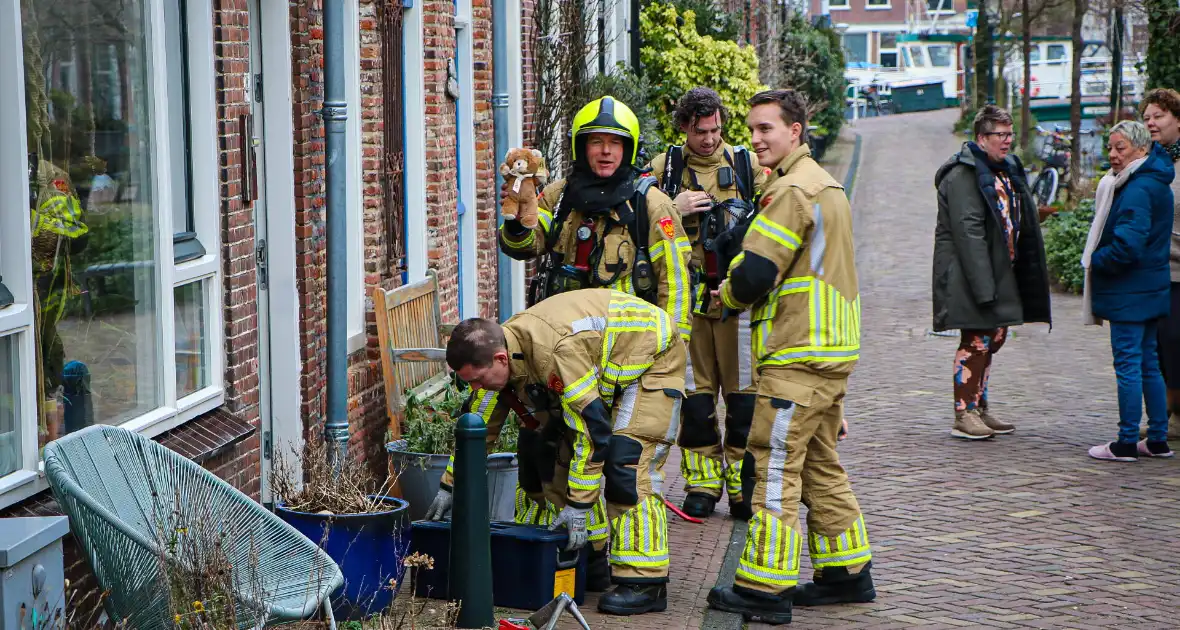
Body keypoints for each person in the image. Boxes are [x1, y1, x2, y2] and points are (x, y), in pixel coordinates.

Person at [706, 89, 874, 625]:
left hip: (796, 352)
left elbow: (755, 274)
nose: (754, 139)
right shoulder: (826, 185)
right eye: (752, 130)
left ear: (795, 131)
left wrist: (724, 297)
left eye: (765, 129)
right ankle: (847, 573)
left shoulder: (791, 191)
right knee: (821, 462)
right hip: (832, 351)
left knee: (771, 465)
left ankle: (764, 589)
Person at [429, 289, 687, 615]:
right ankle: (591, 562)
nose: (477, 388)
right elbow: (478, 426)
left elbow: (593, 434)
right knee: (548, 456)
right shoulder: (503, 349)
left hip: (653, 358)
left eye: (478, 380)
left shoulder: (555, 352)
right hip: (603, 364)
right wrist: (450, 484)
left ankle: (645, 582)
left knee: (627, 464)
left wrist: (578, 507)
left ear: (500, 360)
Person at [645, 87, 767, 520]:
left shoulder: (746, 165)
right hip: (691, 304)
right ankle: (702, 483)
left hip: (738, 302)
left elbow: (776, 209)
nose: (710, 140)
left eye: (716, 130)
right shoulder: (665, 171)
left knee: (742, 399)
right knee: (696, 398)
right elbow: (637, 221)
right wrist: (672, 208)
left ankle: (741, 484)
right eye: (701, 132)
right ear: (684, 128)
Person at [500, 96, 693, 341]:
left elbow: (675, 283)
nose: (605, 151)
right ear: (581, 147)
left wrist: (672, 346)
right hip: (563, 341)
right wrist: (517, 222)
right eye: (596, 141)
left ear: (628, 149)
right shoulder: (558, 197)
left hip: (628, 348)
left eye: (615, 142)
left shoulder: (651, 204)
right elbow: (524, 246)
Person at [932, 105, 1051, 440]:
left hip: (1001, 270)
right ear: (981, 138)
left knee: (994, 337)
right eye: (1000, 135)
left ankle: (979, 406)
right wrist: (984, 287)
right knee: (976, 339)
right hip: (970, 274)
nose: (1007, 141)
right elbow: (969, 234)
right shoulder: (962, 177)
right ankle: (963, 413)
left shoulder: (1003, 170)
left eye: (1010, 134)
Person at [1082, 121, 1177, 461]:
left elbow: (1127, 246)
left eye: (1120, 148)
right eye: (1110, 148)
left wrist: (1096, 258)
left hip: (1129, 291)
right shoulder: (1157, 183)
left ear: (1140, 149)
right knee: (1149, 363)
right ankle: (1156, 439)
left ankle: (1125, 441)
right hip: (1151, 286)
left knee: (1128, 363)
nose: (1112, 155)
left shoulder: (1136, 188)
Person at [1142, 88, 1180, 442]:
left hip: (1178, 269)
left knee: (1173, 340)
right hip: (1152, 268)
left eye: (1159, 116)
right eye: (1147, 117)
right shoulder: (1147, 160)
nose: (1152, 123)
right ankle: (1165, 412)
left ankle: (1172, 412)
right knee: (1155, 344)